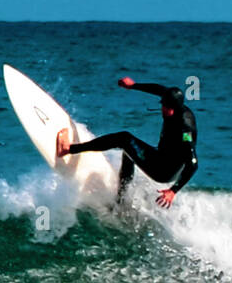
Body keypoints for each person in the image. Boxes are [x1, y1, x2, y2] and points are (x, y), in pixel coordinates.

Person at [55, 76, 198, 208]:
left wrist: (173, 191)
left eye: (164, 107)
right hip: (160, 155)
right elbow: (159, 89)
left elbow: (192, 163)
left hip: (163, 170)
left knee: (123, 139)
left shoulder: (185, 129)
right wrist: (133, 85)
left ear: (172, 109)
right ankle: (121, 201)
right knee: (129, 151)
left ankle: (68, 149)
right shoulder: (173, 101)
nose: (162, 109)